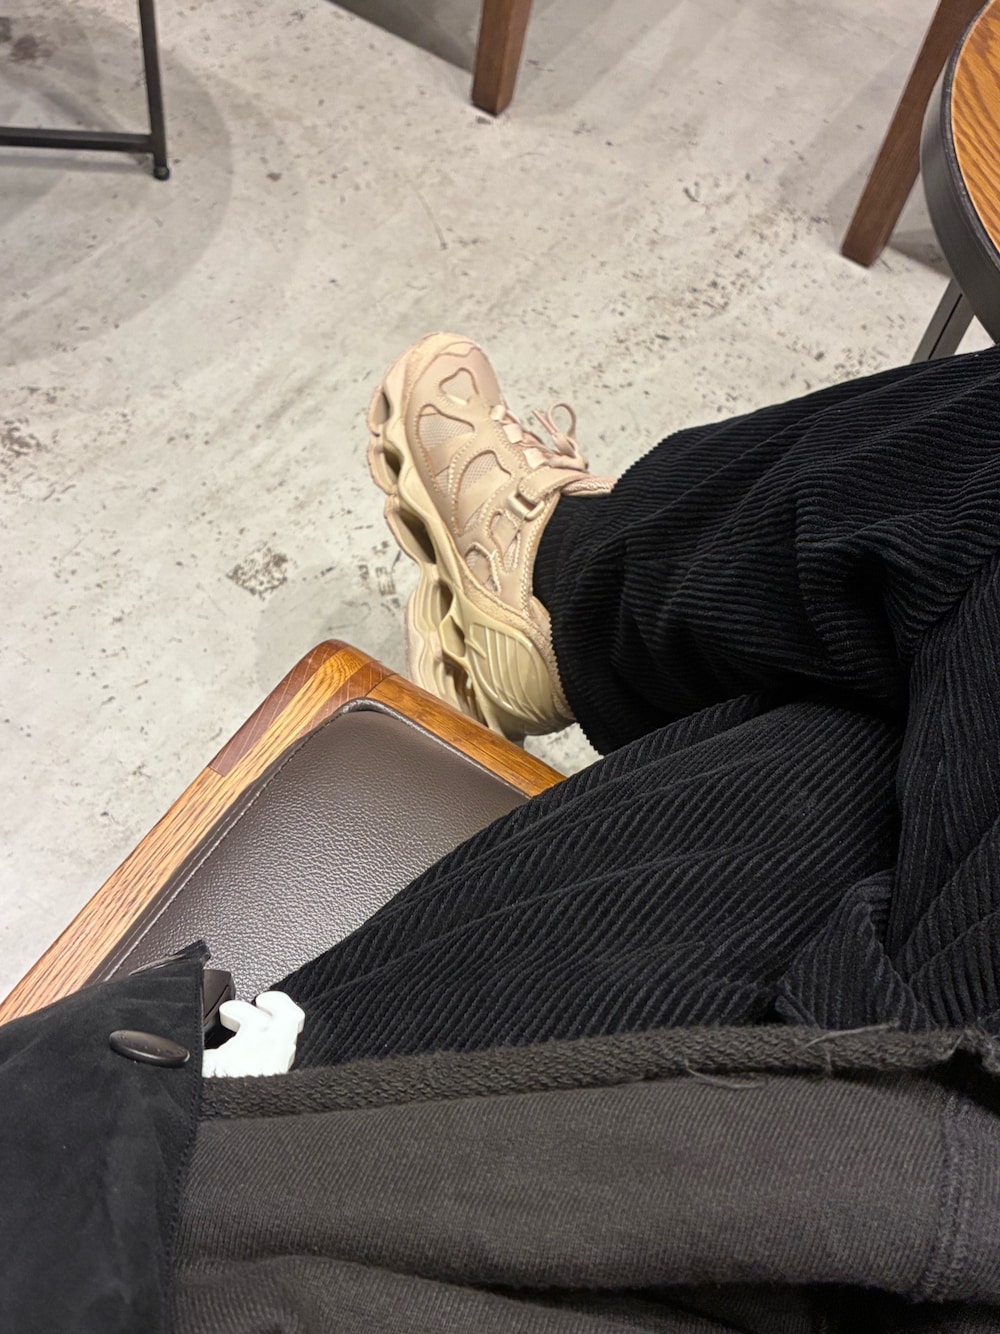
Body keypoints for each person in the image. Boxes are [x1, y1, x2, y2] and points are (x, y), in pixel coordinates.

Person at [7, 338, 1000, 1334]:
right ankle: (563, 591)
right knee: (906, 703)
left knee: (902, 652)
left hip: (379, 1212)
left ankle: (562, 583)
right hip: (906, 1161)